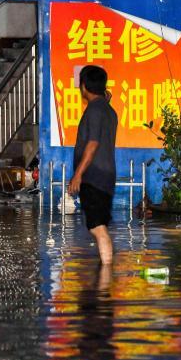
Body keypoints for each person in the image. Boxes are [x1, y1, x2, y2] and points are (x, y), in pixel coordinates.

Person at [68, 65, 118, 265]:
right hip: (104, 176)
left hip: (94, 177)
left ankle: (106, 279)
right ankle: (105, 274)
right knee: (98, 225)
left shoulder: (95, 110)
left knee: (97, 226)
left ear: (84, 86)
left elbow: (93, 144)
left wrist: (78, 174)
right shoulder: (107, 109)